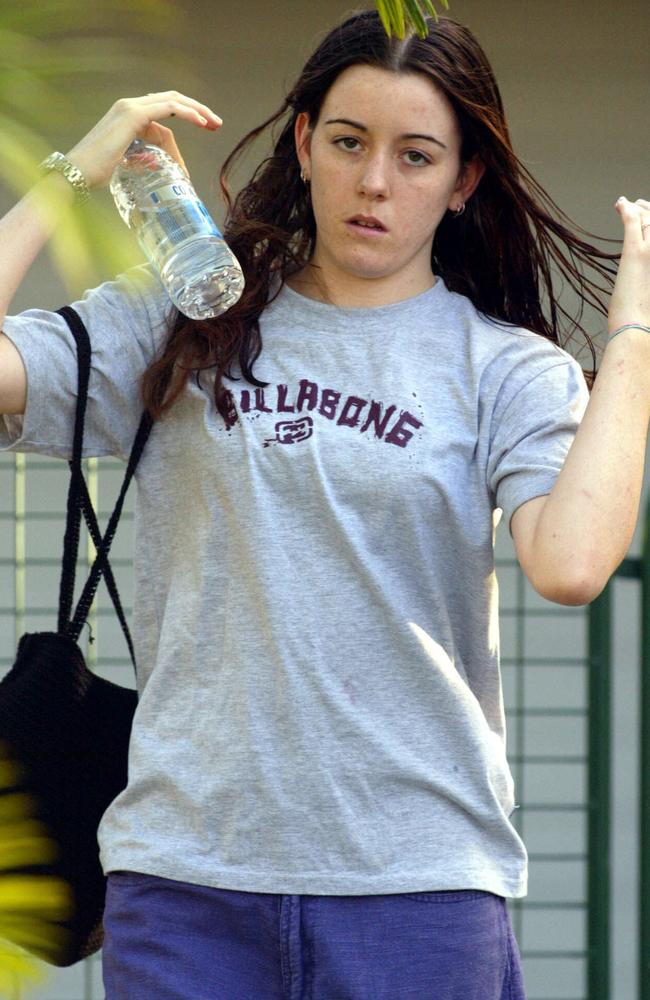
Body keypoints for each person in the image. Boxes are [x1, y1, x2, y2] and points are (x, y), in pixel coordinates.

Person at [0, 8, 648, 999]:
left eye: (416, 155)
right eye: (347, 142)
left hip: (416, 889)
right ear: (303, 143)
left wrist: (633, 335)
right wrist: (64, 179)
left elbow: (568, 565)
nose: (374, 182)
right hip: (187, 884)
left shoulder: (503, 370)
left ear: (463, 180)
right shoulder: (188, 320)